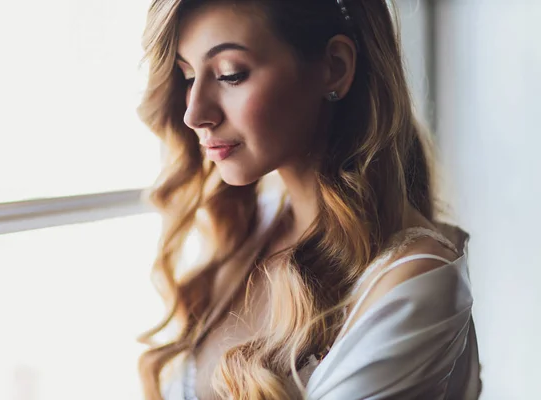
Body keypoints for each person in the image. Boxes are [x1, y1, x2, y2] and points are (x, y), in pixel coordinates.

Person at [135, 0, 482, 399]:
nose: (194, 114)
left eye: (232, 75)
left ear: (334, 67)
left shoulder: (411, 286)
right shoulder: (256, 227)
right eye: (188, 75)